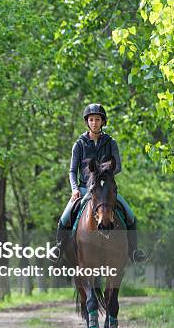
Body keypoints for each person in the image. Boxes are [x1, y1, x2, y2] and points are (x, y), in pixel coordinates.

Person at [56, 103, 146, 263]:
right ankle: (58, 248)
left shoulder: (110, 142)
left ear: (103, 122)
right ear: (87, 122)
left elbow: (117, 166)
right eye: (91, 119)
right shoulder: (79, 144)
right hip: (85, 189)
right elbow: (72, 171)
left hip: (106, 190)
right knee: (64, 218)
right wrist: (74, 189)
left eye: (97, 119)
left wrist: (104, 173)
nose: (94, 122)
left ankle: (133, 251)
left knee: (131, 215)